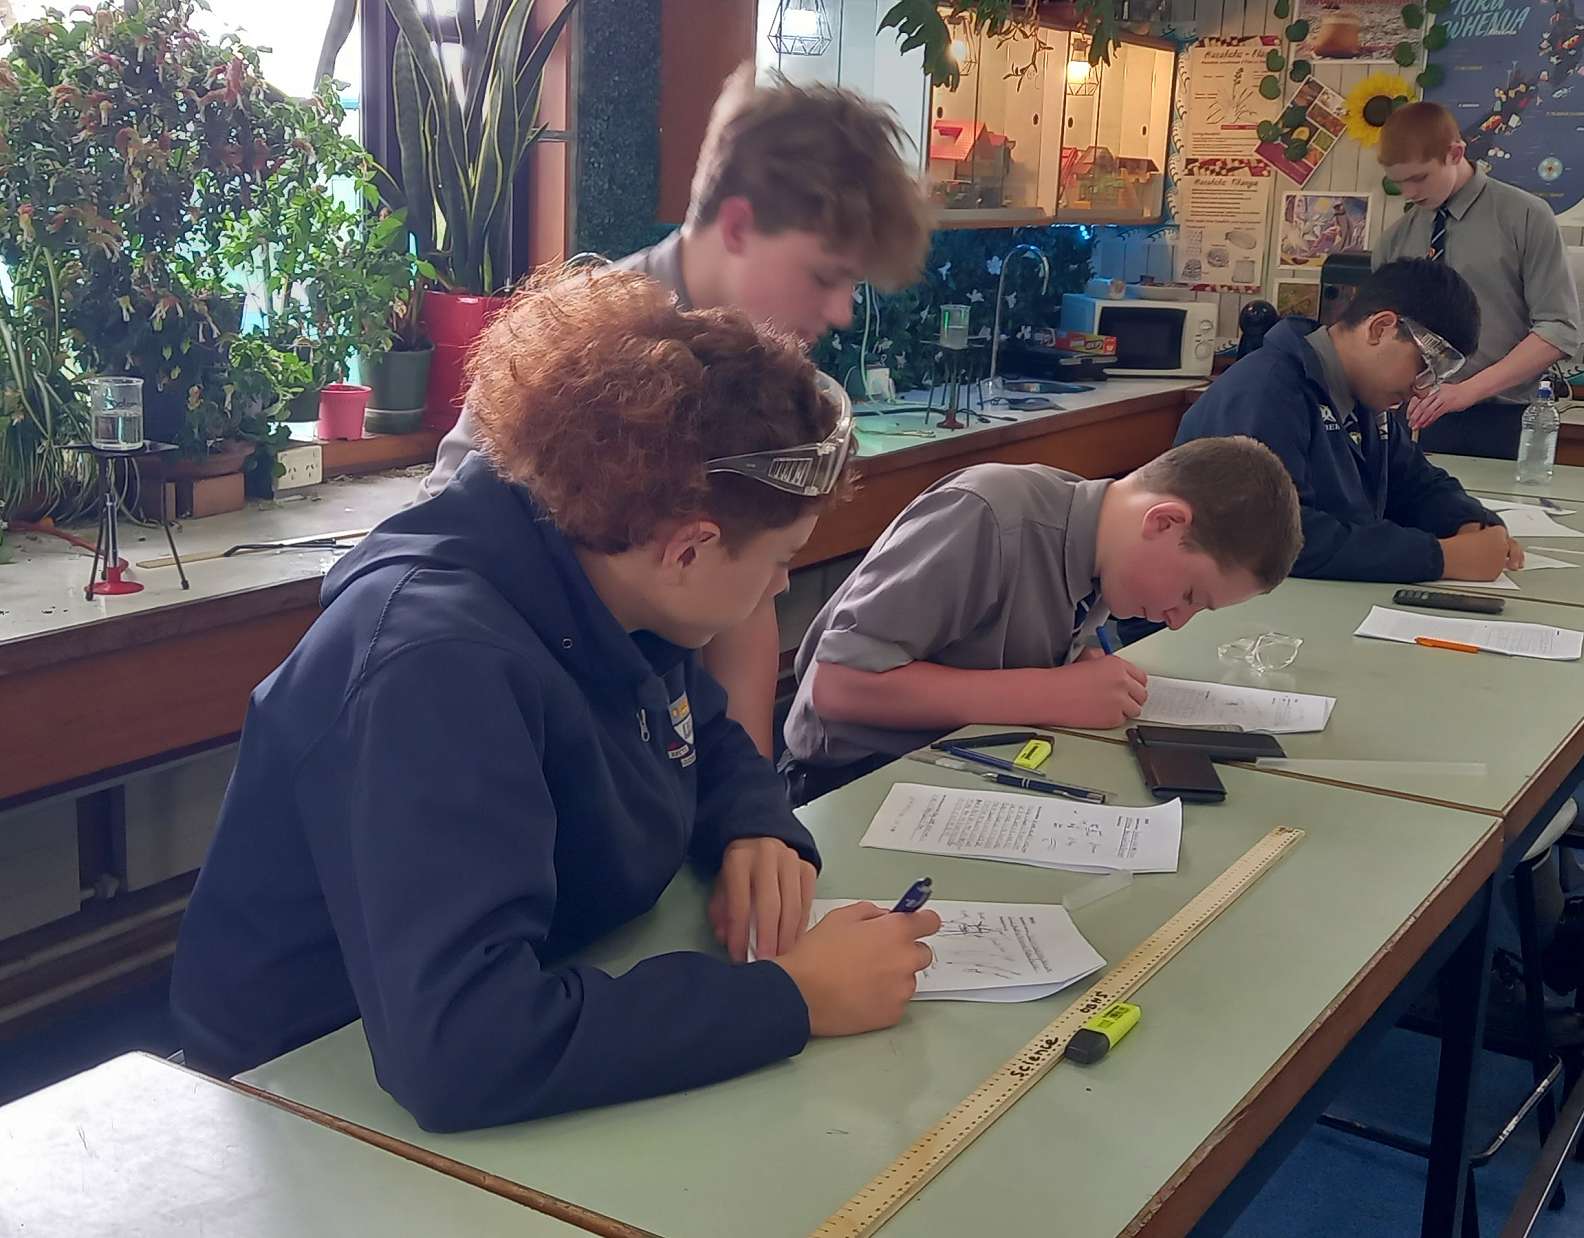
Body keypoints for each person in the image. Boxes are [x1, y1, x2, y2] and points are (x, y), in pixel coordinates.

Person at [172, 268, 940, 1131]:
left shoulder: (605, 564)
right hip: (309, 1094)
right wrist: (790, 998)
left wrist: (753, 822)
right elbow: (463, 1051)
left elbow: (699, 732)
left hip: (530, 995)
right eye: (778, 559)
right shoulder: (434, 671)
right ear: (688, 550)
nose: (782, 583)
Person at [419, 64, 930, 758]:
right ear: (739, 225)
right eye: (824, 276)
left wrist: (752, 800)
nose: (841, 312)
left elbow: (747, 595)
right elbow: (451, 561)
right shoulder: (579, 355)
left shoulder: (762, 372)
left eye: (853, 285)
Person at [779, 438, 1304, 801]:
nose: (1176, 621)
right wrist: (1048, 692)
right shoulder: (988, 514)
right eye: (1189, 595)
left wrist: (1074, 670)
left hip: (961, 769)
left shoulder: (1103, 563)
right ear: (1164, 522)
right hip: (846, 783)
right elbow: (838, 686)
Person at [1175, 258, 1521, 585]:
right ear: (1380, 328)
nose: (1422, 390)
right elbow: (1272, 537)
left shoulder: (1366, 399)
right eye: (1424, 368)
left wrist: (1470, 523)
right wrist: (1442, 558)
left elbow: (1416, 483)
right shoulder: (1266, 391)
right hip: (1222, 609)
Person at [1372, 102, 1582, 459]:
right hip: (1415, 417)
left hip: (1502, 417)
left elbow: (1558, 329)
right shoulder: (1395, 240)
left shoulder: (1525, 217)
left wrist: (1467, 391)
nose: (1408, 193)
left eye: (1419, 178)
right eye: (1399, 182)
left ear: (1455, 153)